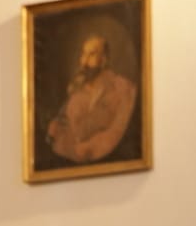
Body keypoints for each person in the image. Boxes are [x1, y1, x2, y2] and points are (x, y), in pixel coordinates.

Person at [47, 35, 138, 164]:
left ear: (104, 60)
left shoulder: (123, 88)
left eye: (92, 55)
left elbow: (118, 130)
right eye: (83, 54)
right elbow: (65, 134)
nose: (84, 62)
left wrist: (88, 148)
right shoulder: (75, 95)